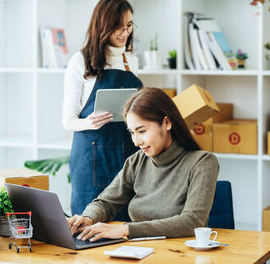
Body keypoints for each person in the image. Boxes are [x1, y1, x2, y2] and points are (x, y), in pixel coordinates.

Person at [67, 87, 219, 241]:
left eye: (142, 131)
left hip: (181, 252)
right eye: (132, 132)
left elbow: (192, 222)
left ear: (167, 123)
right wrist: (88, 218)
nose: (136, 141)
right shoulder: (137, 161)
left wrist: (126, 229)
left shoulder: (202, 162)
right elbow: (106, 203)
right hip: (138, 250)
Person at [63, 0, 142, 221]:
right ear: (103, 25)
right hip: (91, 158)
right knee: (87, 226)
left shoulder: (131, 60)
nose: (124, 32)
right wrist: (90, 121)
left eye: (129, 26)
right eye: (118, 27)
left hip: (127, 155)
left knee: (126, 226)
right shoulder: (80, 61)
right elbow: (68, 120)